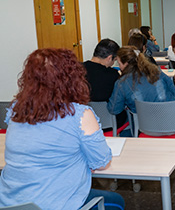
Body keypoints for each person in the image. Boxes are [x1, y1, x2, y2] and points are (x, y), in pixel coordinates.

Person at [0, 48, 124, 210]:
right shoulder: (79, 114)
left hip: (10, 204)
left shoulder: (17, 109)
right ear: (72, 78)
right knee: (116, 201)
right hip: (57, 203)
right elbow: (101, 162)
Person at [107, 46, 175, 169]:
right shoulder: (156, 71)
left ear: (125, 63)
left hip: (146, 127)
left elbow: (114, 109)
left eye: (119, 63)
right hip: (173, 121)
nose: (119, 66)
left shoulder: (121, 83)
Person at [83, 39, 128, 130]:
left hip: (84, 122)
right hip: (110, 123)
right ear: (109, 58)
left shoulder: (77, 70)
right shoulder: (112, 75)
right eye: (114, 60)